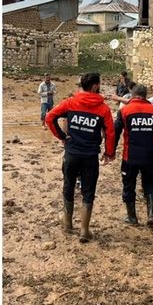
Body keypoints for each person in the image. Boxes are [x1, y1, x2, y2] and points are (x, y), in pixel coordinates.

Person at [45, 72, 115, 243]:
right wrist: (109, 153)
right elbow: (110, 132)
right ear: (95, 86)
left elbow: (49, 117)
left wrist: (61, 136)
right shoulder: (103, 108)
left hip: (72, 153)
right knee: (88, 191)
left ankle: (67, 224)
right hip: (90, 155)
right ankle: (84, 230)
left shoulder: (71, 102)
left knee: (68, 185)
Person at [113, 84, 153, 227]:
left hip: (130, 156)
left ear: (132, 94)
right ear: (146, 95)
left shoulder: (125, 110)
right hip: (150, 156)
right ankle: (151, 215)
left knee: (129, 185)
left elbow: (116, 132)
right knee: (150, 184)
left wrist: (110, 151)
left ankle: (132, 217)